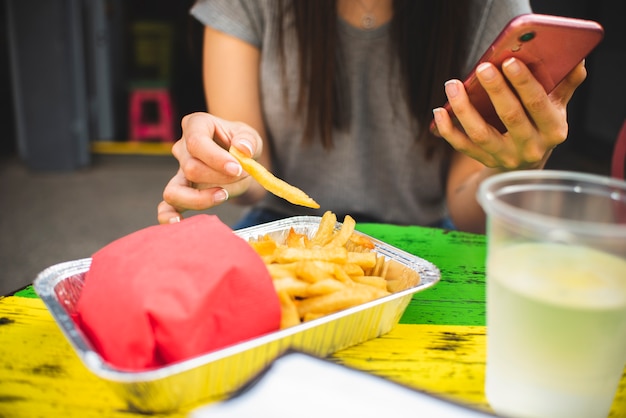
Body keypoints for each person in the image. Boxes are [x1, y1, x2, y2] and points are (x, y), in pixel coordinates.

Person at [157, 0, 587, 234]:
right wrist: (225, 163)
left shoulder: (488, 9)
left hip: (423, 237)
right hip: (279, 228)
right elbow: (253, 173)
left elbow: (467, 210)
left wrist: (518, 167)